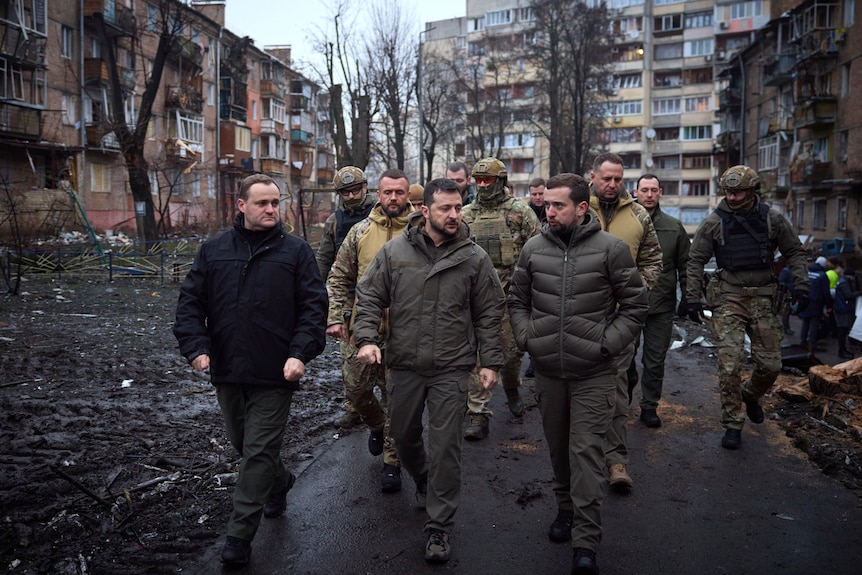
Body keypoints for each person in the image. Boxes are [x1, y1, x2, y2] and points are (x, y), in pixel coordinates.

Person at [173, 174, 328, 566]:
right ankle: (281, 481)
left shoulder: (295, 252)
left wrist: (300, 354)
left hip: (277, 371)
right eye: (262, 203)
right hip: (227, 368)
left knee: (256, 453)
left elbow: (314, 308)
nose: (271, 210)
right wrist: (196, 348)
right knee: (246, 445)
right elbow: (190, 304)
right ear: (240, 205)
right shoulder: (214, 250)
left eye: (276, 202)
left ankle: (239, 537)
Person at [353, 178, 505, 564]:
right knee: (403, 437)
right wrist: (366, 338)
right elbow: (369, 296)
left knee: (446, 448)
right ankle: (420, 477)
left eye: (458, 208)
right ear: (426, 211)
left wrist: (491, 361)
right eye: (445, 209)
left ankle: (439, 526)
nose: (454, 215)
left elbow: (489, 312)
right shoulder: (395, 252)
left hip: (451, 368)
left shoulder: (473, 257)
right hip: (403, 365)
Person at [508, 172, 648, 575]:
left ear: (581, 208)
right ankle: (564, 509)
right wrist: (527, 338)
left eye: (557, 206)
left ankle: (585, 540)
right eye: (546, 205)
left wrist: (605, 343)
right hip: (549, 371)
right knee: (557, 450)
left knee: (585, 453)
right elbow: (516, 300)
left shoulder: (611, 250)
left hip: (594, 373)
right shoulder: (533, 248)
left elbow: (636, 307)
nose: (547, 211)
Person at [682, 165, 810, 450]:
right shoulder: (714, 222)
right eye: (728, 191)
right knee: (729, 365)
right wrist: (691, 297)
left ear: (753, 191)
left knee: (771, 365)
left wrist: (802, 285)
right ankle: (732, 423)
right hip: (729, 298)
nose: (733, 196)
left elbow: (794, 251)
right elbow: (695, 261)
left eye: (738, 191)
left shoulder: (773, 220)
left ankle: (750, 395)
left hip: (764, 300)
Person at [326, 168, 413, 492]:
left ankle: (392, 463)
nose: (393, 198)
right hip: (362, 328)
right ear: (378, 193)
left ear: (407, 194)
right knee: (357, 390)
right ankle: (376, 425)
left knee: (397, 400)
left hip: (405, 333)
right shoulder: (360, 231)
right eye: (387, 192)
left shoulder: (421, 231)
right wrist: (336, 316)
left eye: (399, 192)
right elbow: (337, 278)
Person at [588, 152, 662, 490]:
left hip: (618, 319)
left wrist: (635, 294)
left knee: (617, 392)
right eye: (607, 178)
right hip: (576, 318)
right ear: (593, 176)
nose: (613, 185)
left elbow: (652, 259)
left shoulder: (638, 215)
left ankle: (616, 461)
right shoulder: (577, 209)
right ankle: (580, 460)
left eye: (618, 179)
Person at [460, 157, 541, 439]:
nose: (482, 186)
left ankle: (511, 388)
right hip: (475, 301)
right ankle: (478, 413)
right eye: (478, 180)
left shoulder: (521, 213)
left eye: (488, 180)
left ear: (501, 181)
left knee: (508, 357)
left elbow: (538, 254)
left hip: (511, 300)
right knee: (476, 357)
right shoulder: (465, 215)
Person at [316, 166, 376, 429]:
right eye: (346, 192)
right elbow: (324, 258)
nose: (352, 196)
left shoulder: (378, 214)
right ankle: (354, 406)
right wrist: (316, 291)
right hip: (348, 299)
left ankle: (387, 411)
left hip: (380, 297)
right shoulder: (335, 221)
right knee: (349, 360)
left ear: (365, 187)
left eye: (356, 190)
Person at [629, 174, 689, 428]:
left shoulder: (673, 227)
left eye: (654, 190)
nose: (649, 195)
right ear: (636, 192)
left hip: (660, 305)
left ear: (661, 192)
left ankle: (649, 406)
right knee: (623, 360)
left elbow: (686, 265)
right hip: (628, 304)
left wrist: (690, 297)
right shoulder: (626, 222)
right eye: (645, 190)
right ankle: (622, 400)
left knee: (654, 360)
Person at [799, 256, 831, 355]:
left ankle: (802, 342)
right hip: (816, 303)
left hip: (805, 301)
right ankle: (812, 346)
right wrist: (829, 305)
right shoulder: (822, 275)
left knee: (805, 323)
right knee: (814, 325)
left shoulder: (807, 272)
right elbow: (826, 292)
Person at [834, 269, 859, 359]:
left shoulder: (842, 281)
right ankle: (842, 351)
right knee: (842, 331)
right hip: (843, 309)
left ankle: (843, 350)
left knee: (843, 331)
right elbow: (848, 295)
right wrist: (859, 293)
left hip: (841, 308)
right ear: (850, 275)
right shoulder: (844, 283)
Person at [777, 256, 795, 335]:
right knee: (786, 313)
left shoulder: (792, 271)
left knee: (788, 312)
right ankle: (786, 328)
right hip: (786, 295)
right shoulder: (785, 271)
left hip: (791, 294)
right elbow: (781, 282)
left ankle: (786, 328)